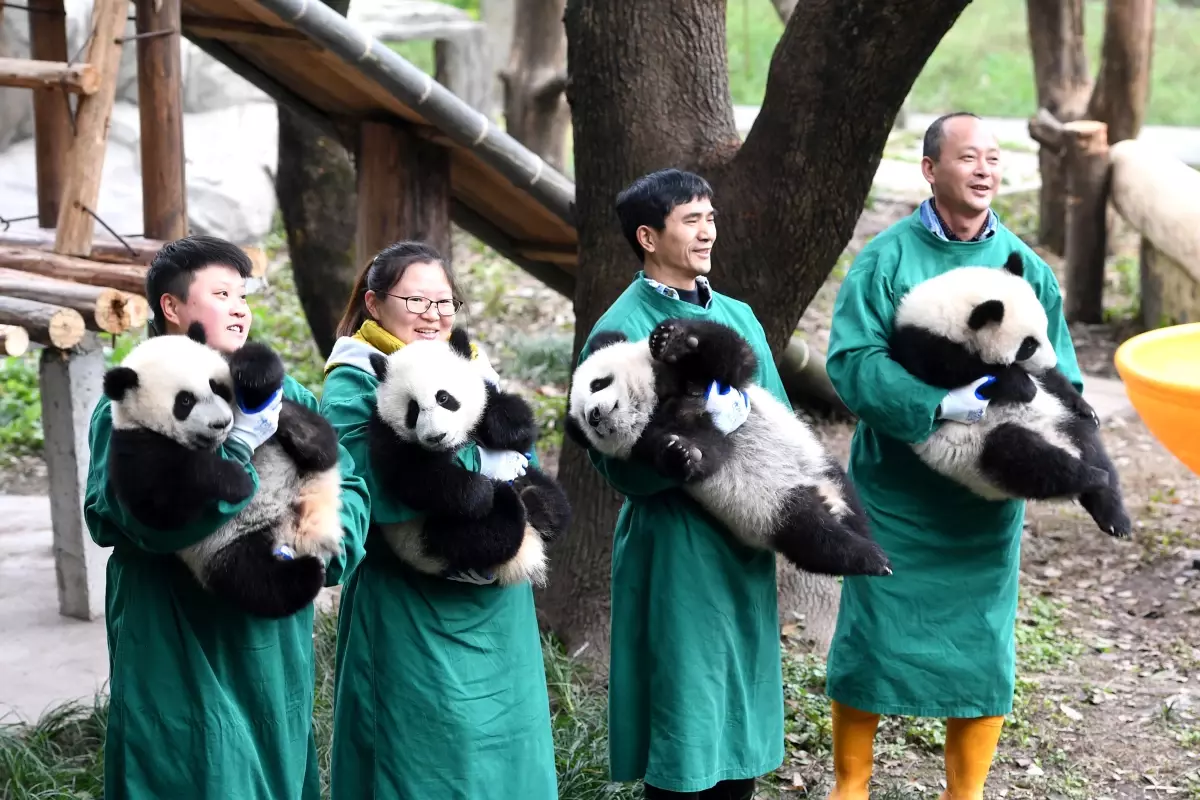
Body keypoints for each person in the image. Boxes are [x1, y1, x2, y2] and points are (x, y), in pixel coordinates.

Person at [821, 112, 1085, 800]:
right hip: (897, 494)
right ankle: (851, 785)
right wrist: (938, 405)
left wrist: (1043, 439)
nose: (984, 169)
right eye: (968, 157)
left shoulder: (1026, 269)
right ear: (931, 169)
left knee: (981, 649)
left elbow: (1064, 376)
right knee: (873, 637)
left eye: (994, 158)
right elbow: (851, 362)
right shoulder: (886, 260)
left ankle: (963, 795)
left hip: (982, 503)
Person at [83, 234, 371, 799]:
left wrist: (315, 543)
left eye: (243, 294)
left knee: (275, 769)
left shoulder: (288, 395)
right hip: (175, 637)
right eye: (221, 292)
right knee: (191, 772)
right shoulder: (135, 400)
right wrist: (233, 453)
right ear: (172, 307)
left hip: (273, 640)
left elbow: (351, 488)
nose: (240, 306)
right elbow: (126, 513)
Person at [576, 168, 788, 800]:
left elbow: (777, 413)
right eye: (691, 219)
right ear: (648, 236)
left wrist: (750, 425)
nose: (707, 231)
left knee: (737, 714)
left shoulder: (737, 315)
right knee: (685, 712)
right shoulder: (619, 328)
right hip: (677, 546)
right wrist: (693, 446)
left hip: (742, 537)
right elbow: (607, 453)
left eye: (711, 217)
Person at [321, 240, 557, 800]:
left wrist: (513, 473)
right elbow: (374, 485)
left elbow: (526, 458)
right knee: (422, 760)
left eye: (444, 303)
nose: (433, 315)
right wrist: (482, 462)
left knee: (509, 756)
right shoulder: (356, 377)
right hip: (412, 607)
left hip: (499, 607)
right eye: (417, 301)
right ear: (375, 304)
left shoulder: (468, 363)